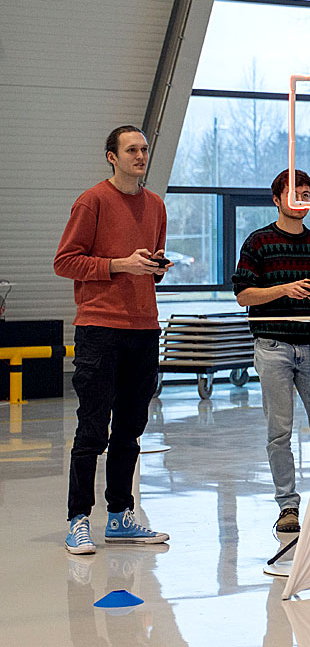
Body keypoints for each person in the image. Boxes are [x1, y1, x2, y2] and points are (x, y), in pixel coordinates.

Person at [54, 125, 172, 554]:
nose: (140, 156)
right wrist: (120, 264)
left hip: (144, 327)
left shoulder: (156, 205)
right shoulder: (92, 201)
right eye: (131, 150)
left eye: (143, 149)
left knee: (130, 429)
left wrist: (156, 268)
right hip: (100, 328)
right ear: (111, 156)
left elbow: (149, 261)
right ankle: (78, 519)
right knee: (92, 430)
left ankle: (121, 515)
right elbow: (65, 261)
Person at [232, 169, 310, 534]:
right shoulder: (258, 243)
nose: (302, 200)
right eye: (295, 194)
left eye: (307, 194)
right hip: (273, 346)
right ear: (277, 199)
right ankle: (288, 505)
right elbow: (244, 294)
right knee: (280, 430)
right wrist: (284, 289)